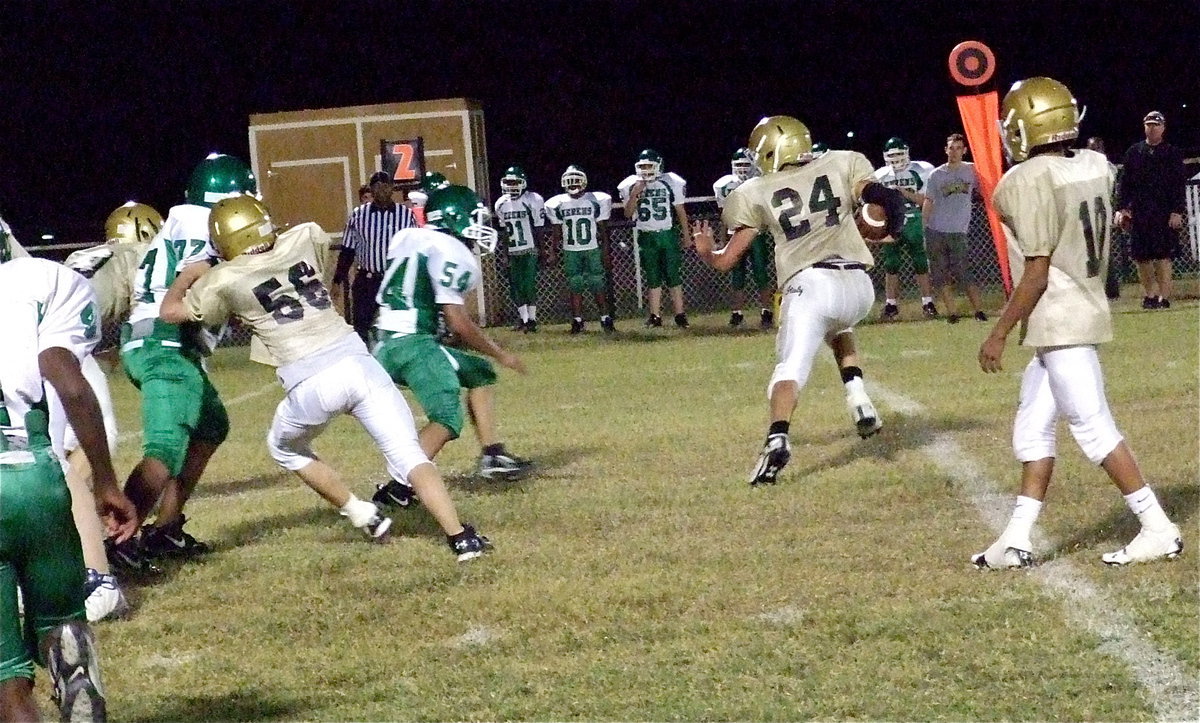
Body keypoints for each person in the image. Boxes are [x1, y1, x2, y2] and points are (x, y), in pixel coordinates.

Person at [159, 194, 492, 561]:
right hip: (359, 363)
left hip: (310, 382)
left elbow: (171, 312)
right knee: (410, 455)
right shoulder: (304, 236)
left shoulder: (222, 279)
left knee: (284, 447)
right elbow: (302, 254)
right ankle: (461, 538)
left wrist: (190, 274)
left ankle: (359, 511)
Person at [974, 77, 1183, 569]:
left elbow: (1038, 269)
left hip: (1061, 316)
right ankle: (1016, 538)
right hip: (1077, 310)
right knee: (1032, 425)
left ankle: (1157, 526)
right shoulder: (1093, 163)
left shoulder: (1024, 181)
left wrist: (998, 332)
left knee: (1092, 426)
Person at [691, 115, 907, 486]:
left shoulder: (755, 190)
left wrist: (707, 252)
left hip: (810, 284)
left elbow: (727, 261)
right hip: (858, 286)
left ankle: (777, 438)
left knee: (789, 367)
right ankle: (859, 400)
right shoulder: (842, 161)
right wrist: (892, 219)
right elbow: (879, 196)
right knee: (839, 325)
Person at [0, 257, 139, 723]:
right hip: (33, 474)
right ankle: (73, 668)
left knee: (7, 681)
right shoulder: (38, 281)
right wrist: (104, 479)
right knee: (59, 621)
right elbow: (71, 385)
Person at [120, 153, 253, 564]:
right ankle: (114, 542)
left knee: (212, 424)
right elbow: (197, 269)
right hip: (166, 343)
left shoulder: (182, 219)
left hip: (164, 342)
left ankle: (165, 528)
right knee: (163, 450)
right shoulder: (204, 225)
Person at [370, 184, 533, 505]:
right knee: (446, 416)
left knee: (479, 372)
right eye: (475, 218)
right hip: (412, 344)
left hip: (383, 340)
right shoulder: (452, 251)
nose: (480, 227)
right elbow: (458, 322)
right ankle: (400, 488)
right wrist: (501, 354)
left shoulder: (406, 236)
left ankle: (492, 455)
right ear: (456, 218)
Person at [58, 201, 163, 620]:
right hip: (59, 346)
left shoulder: (84, 256)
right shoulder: (140, 256)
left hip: (37, 338)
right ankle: (81, 561)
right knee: (89, 444)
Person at [1115, 111, 1188, 309]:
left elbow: (1178, 185)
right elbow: (1125, 184)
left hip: (1164, 213)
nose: (1152, 128)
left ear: (1163, 128)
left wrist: (1177, 211)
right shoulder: (1134, 152)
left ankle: (1163, 297)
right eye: (1148, 124)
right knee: (1142, 257)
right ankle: (1150, 295)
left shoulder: (1172, 153)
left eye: (1156, 124)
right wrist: (1122, 209)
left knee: (1163, 256)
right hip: (1140, 213)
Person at [333, 171, 418, 341]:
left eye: (385, 186)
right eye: (377, 186)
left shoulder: (406, 215)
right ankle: (365, 364)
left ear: (392, 188)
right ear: (372, 189)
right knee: (362, 329)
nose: (381, 190)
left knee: (399, 329)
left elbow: (415, 250)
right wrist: (337, 281)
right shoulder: (358, 215)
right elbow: (348, 251)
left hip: (395, 281)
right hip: (367, 281)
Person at [618, 149, 691, 328]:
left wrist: (687, 235)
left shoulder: (670, 182)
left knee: (673, 276)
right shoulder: (631, 185)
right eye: (642, 166)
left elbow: (680, 211)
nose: (646, 169)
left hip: (666, 233)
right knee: (652, 277)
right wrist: (635, 193)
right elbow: (628, 214)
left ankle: (680, 314)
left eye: (649, 166)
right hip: (646, 235)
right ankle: (655, 315)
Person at [872, 137, 939, 321]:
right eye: (892, 155)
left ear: (907, 153)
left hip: (914, 216)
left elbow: (927, 200)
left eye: (899, 154)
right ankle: (891, 304)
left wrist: (903, 193)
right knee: (891, 264)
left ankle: (927, 302)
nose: (896, 159)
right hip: (891, 221)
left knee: (920, 261)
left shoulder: (922, 169)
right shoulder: (879, 175)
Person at [922, 133, 987, 323]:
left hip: (958, 232)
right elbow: (929, 201)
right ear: (946, 150)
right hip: (936, 230)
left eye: (959, 148)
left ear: (964, 150)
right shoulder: (936, 174)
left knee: (964, 273)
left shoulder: (972, 171)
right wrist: (924, 227)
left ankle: (979, 311)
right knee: (940, 275)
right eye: (951, 148)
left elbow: (984, 189)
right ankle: (952, 313)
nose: (955, 152)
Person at [545, 165, 616, 333]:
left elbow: (602, 228)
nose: (573, 184)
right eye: (570, 181)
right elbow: (556, 230)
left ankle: (605, 318)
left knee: (597, 283)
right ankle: (577, 320)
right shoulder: (558, 203)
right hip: (570, 250)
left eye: (576, 180)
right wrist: (553, 251)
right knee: (574, 284)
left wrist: (605, 251)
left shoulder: (595, 200)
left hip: (591, 248)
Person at [713, 148, 774, 328]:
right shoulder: (725, 185)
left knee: (761, 274)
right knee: (737, 275)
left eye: (745, 165)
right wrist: (723, 238)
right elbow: (724, 215)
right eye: (738, 165)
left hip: (756, 233)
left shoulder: (760, 183)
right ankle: (737, 313)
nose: (742, 169)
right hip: (735, 233)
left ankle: (766, 310)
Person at [494, 166, 546, 332]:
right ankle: (524, 320)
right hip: (513, 249)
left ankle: (532, 319)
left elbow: (538, 227)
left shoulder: (533, 199)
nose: (511, 186)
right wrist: (504, 253)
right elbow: (504, 231)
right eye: (508, 182)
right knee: (516, 287)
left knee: (529, 286)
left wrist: (541, 249)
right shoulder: (501, 204)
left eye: (515, 182)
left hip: (529, 248)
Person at [1087, 137, 1126, 300]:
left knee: (1105, 253)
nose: (1094, 151)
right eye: (1092, 148)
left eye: (1096, 148)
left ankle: (1111, 289)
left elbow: (1114, 189)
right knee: (1090, 254)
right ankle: (1095, 289)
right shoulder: (1084, 168)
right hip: (1088, 214)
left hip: (1104, 213)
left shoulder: (1107, 167)